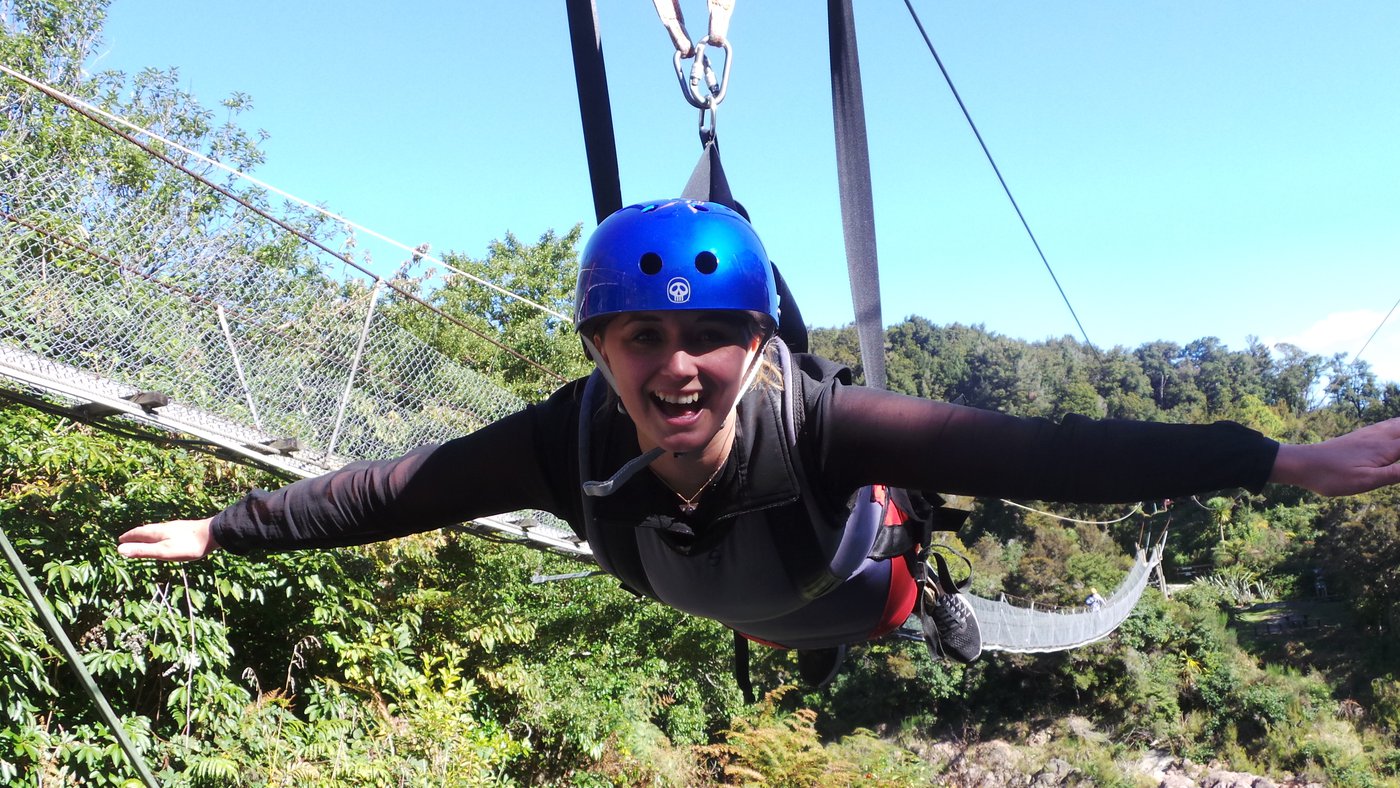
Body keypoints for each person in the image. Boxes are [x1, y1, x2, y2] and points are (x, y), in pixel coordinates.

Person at [118, 199, 1400, 687]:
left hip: (850, 593)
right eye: (636, 338)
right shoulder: (561, 449)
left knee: (899, 595)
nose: (675, 365)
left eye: (711, 336)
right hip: (749, 600)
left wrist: (1285, 461)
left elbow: (1052, 452)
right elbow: (399, 487)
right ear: (597, 348)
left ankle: (938, 615)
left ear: (756, 340)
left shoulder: (827, 425)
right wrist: (228, 524)